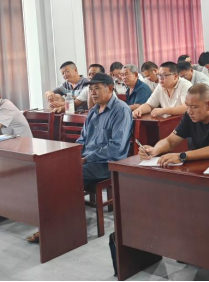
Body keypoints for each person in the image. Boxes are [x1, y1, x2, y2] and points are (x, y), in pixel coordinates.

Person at [27, 73, 132, 245]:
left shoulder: (121, 110)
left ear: (110, 88)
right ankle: (56, 224)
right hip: (88, 160)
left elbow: (116, 147)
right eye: (91, 89)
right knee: (50, 171)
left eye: (97, 88)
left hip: (108, 163)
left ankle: (61, 227)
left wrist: (85, 159)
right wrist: (73, 155)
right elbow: (82, 140)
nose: (93, 93)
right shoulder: (93, 111)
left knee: (64, 176)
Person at [137, 84, 209, 167]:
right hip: (198, 165)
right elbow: (170, 141)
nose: (189, 111)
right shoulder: (190, 116)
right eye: (187, 106)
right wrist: (155, 150)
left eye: (194, 107)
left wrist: (182, 156)